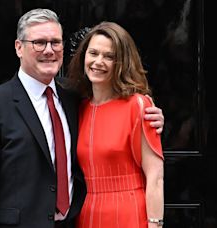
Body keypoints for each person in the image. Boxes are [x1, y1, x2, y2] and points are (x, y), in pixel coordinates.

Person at [0, 9, 164, 228]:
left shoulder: (74, 99)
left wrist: (152, 118)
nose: (49, 50)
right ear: (19, 48)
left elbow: (114, 117)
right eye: (39, 42)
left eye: (55, 42)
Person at [67, 22, 164, 228]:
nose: (98, 61)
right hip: (88, 213)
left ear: (122, 63)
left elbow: (155, 176)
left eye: (109, 56)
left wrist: (155, 224)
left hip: (128, 212)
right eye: (93, 53)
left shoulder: (137, 105)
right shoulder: (78, 107)